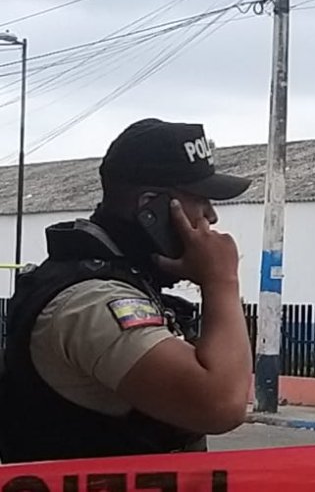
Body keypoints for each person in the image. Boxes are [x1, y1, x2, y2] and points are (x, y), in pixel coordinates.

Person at [0, 118, 253, 462]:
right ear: (151, 208)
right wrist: (221, 281)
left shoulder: (123, 280)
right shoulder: (92, 302)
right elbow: (221, 405)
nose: (211, 215)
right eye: (200, 199)